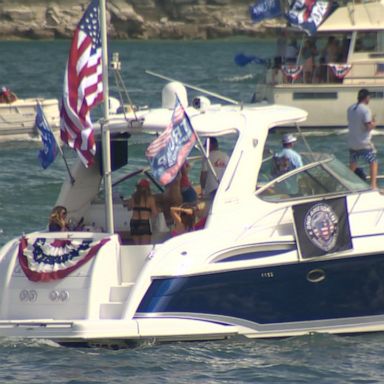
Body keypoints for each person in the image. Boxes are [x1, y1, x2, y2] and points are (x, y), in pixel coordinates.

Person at [347, 88, 378, 189]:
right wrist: (374, 123)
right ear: (366, 98)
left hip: (352, 142)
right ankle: (373, 185)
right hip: (363, 143)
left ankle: (345, 184)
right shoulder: (366, 109)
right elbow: (368, 126)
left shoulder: (350, 108)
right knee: (373, 161)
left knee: (353, 164)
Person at [128, 178, 158, 244]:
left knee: (137, 246)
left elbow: (129, 208)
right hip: (144, 222)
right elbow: (155, 213)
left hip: (134, 222)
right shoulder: (150, 198)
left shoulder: (133, 197)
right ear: (148, 188)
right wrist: (149, 215)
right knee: (145, 247)